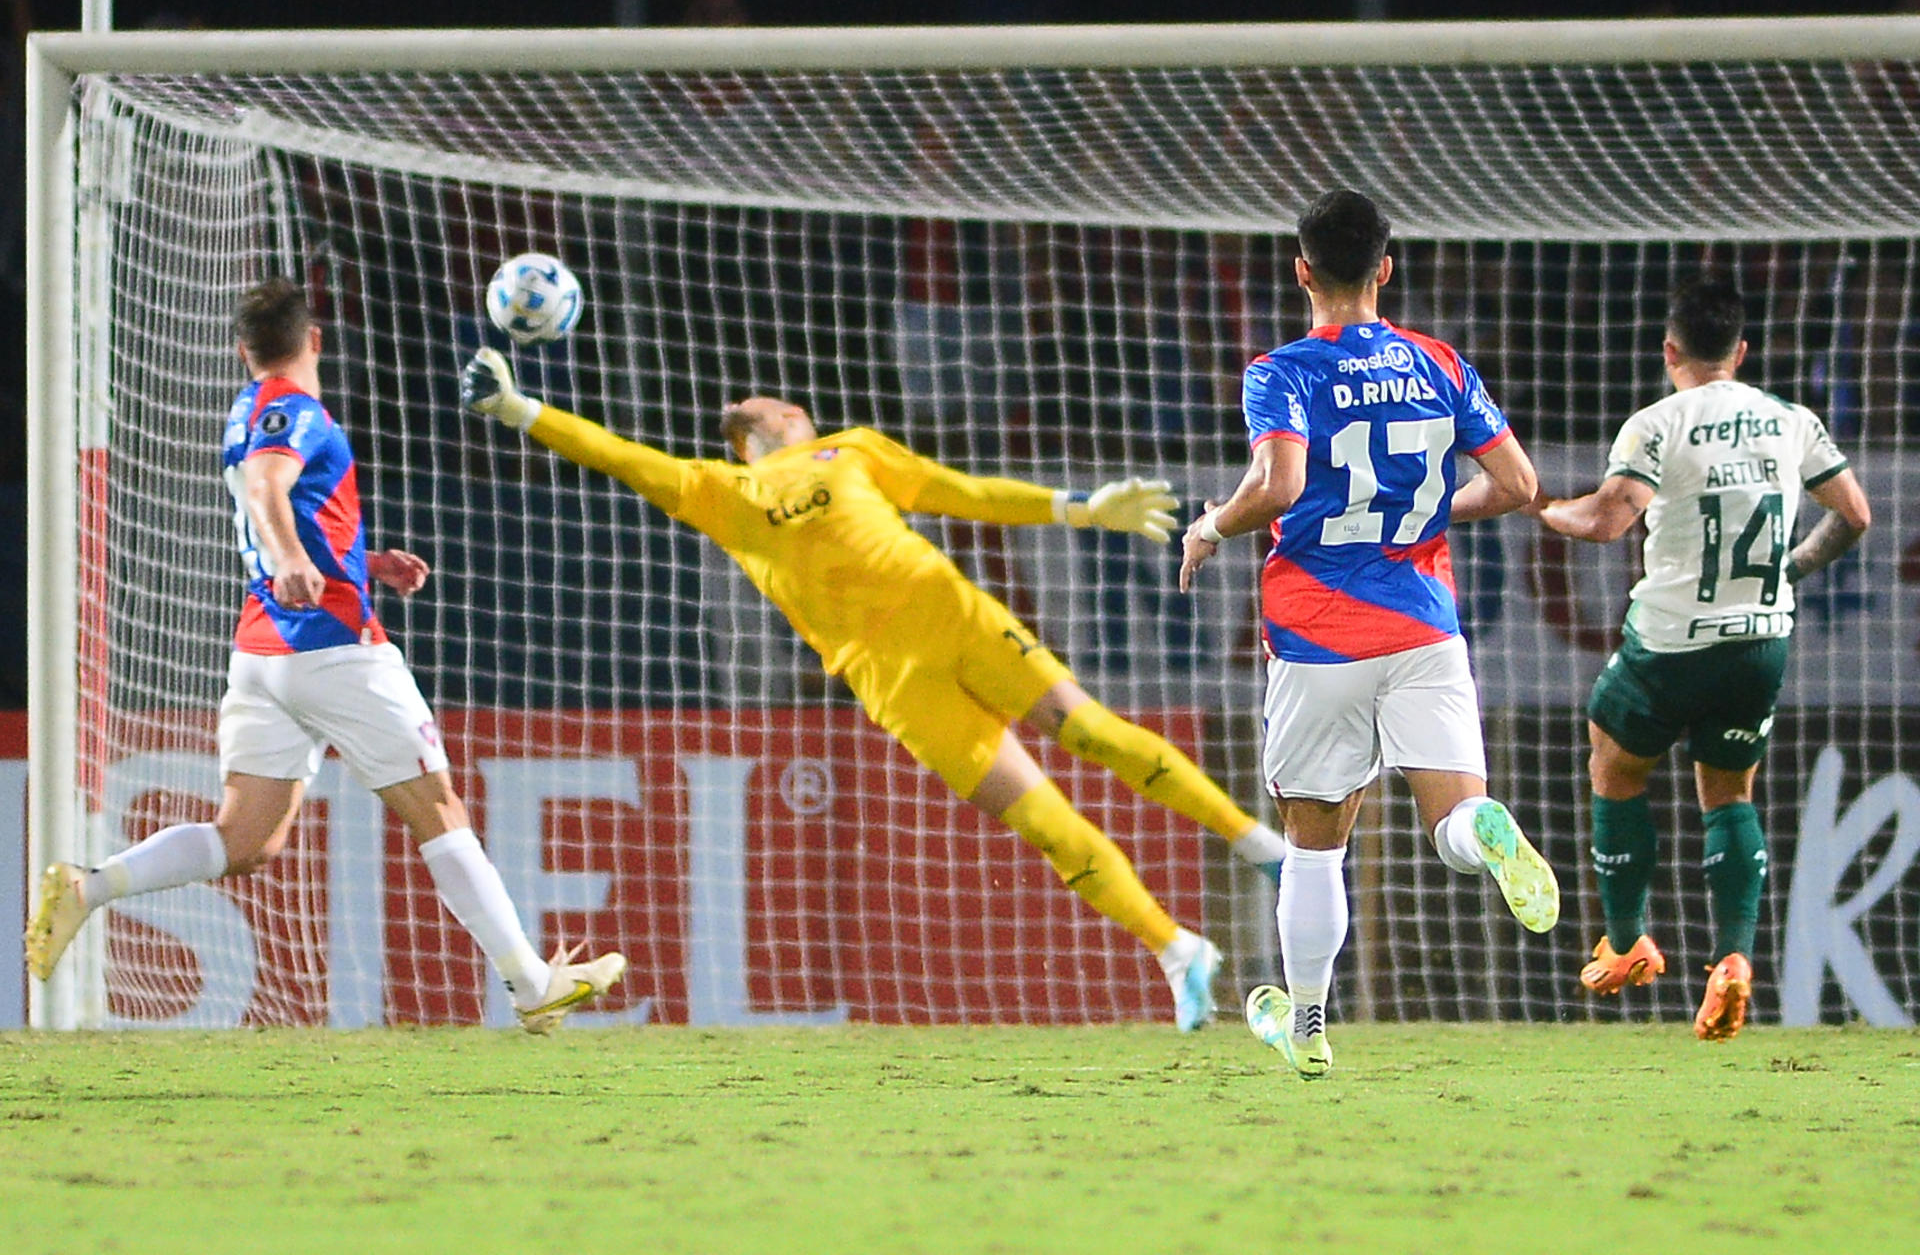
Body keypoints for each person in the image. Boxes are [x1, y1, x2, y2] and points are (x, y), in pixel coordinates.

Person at [458, 349, 1290, 1031]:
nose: (789, 403)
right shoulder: (726, 493)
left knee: (1094, 732)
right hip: (890, 681)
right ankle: (1178, 950)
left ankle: (1258, 846)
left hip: (953, 616)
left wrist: (1079, 509)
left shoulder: (851, 450)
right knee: (1045, 824)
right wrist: (522, 411)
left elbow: (959, 493)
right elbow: (618, 455)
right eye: (778, 402)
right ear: (771, 423)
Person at [23, 279, 625, 1033]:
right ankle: (531, 985)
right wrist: (291, 560)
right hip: (333, 645)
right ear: (316, 341)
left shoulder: (245, 410)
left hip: (261, 651)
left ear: (242, 350)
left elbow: (289, 503)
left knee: (245, 841)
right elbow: (268, 486)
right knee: (440, 811)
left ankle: (87, 888)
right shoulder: (293, 411)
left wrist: (362, 560)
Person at [1179, 189, 1558, 1079]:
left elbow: (1275, 485)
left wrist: (1210, 529)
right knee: (1453, 818)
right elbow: (1519, 485)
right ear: (1385, 268)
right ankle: (1487, 829)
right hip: (1425, 627)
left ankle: (1307, 1028)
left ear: (1302, 269)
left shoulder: (1282, 371)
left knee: (1316, 844)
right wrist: (1426, 515)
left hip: (1318, 637)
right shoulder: (1440, 363)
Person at [1530, 277, 1871, 1042]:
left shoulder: (1657, 423)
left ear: (1669, 351)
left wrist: (1544, 508)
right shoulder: (1789, 419)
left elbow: (1609, 518)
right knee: (1729, 793)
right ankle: (1734, 960)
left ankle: (1625, 944)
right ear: (1741, 351)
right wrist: (1796, 569)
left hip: (1671, 642)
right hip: (1759, 642)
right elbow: (1855, 514)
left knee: (1614, 766)